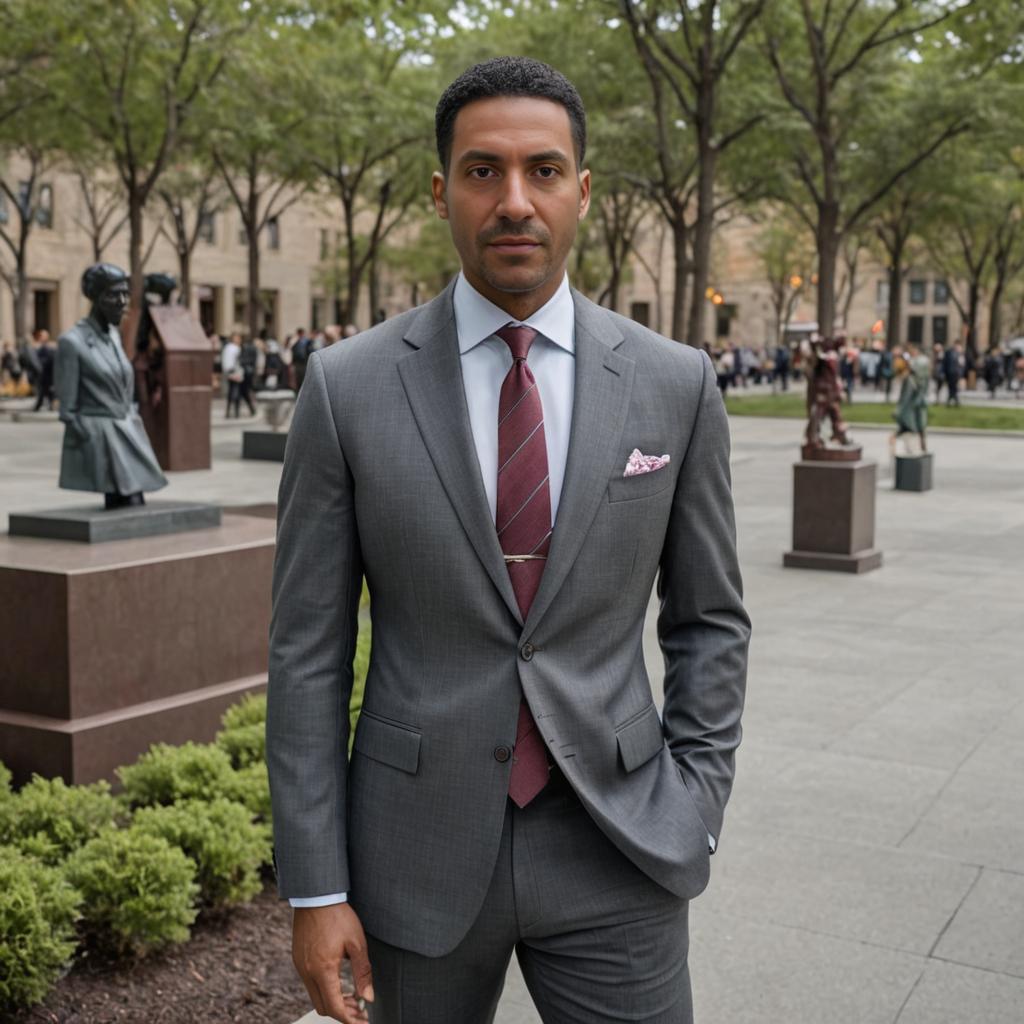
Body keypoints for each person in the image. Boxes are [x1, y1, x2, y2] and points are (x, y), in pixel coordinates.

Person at [266, 56, 750, 1024]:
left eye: (542, 170)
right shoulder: (348, 387)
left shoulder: (674, 382)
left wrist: (694, 802)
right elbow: (307, 652)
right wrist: (315, 889)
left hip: (619, 843)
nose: (514, 200)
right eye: (483, 171)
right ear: (442, 191)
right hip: (412, 855)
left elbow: (708, 620)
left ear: (582, 191)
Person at [54, 263, 167, 508]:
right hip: (103, 439)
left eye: (125, 293)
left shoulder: (114, 337)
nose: (122, 301)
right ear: (95, 298)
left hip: (128, 432)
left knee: (134, 505)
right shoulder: (72, 343)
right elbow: (67, 410)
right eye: (113, 295)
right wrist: (92, 439)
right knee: (128, 502)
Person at [890, 341, 930, 454]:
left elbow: (919, 377)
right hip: (912, 403)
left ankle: (922, 446)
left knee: (920, 424)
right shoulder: (910, 378)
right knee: (911, 425)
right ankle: (918, 446)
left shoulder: (921, 362)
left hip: (917, 401)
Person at [32, 330, 56, 410]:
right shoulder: (38, 347)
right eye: (40, 336)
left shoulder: (49, 348)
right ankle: (45, 405)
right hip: (42, 374)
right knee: (44, 390)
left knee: (46, 390)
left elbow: (50, 360)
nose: (40, 338)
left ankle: (42, 405)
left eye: (42, 336)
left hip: (47, 374)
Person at [943, 342, 964, 407]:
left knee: (954, 387)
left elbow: (962, 365)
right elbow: (945, 363)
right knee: (952, 387)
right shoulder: (949, 353)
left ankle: (952, 400)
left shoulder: (960, 354)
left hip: (956, 373)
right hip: (950, 373)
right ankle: (954, 401)